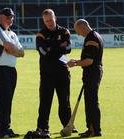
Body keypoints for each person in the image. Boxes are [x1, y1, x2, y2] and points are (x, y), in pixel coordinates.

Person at [35, 9, 77, 138]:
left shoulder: (64, 31)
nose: (49, 23)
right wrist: (60, 46)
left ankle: (68, 126)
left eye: (51, 20)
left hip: (63, 72)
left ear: (55, 18)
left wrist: (52, 46)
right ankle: (42, 128)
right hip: (47, 74)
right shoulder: (40, 35)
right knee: (45, 102)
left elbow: (69, 49)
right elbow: (43, 52)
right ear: (43, 21)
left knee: (65, 101)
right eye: (46, 21)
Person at [0, 7, 24, 138]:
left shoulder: (13, 34)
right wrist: (13, 49)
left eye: (12, 17)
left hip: (11, 70)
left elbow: (22, 52)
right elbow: (9, 46)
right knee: (3, 100)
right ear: (1, 17)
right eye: (8, 17)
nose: (10, 19)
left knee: (8, 101)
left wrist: (13, 50)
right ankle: (2, 130)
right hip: (0, 70)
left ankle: (6, 129)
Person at [67, 19, 103, 138]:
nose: (78, 34)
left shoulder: (92, 39)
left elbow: (89, 61)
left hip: (92, 73)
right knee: (91, 100)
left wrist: (75, 63)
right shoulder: (94, 36)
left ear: (83, 27)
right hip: (93, 72)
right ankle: (93, 129)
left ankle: (93, 130)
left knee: (91, 101)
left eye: (78, 31)